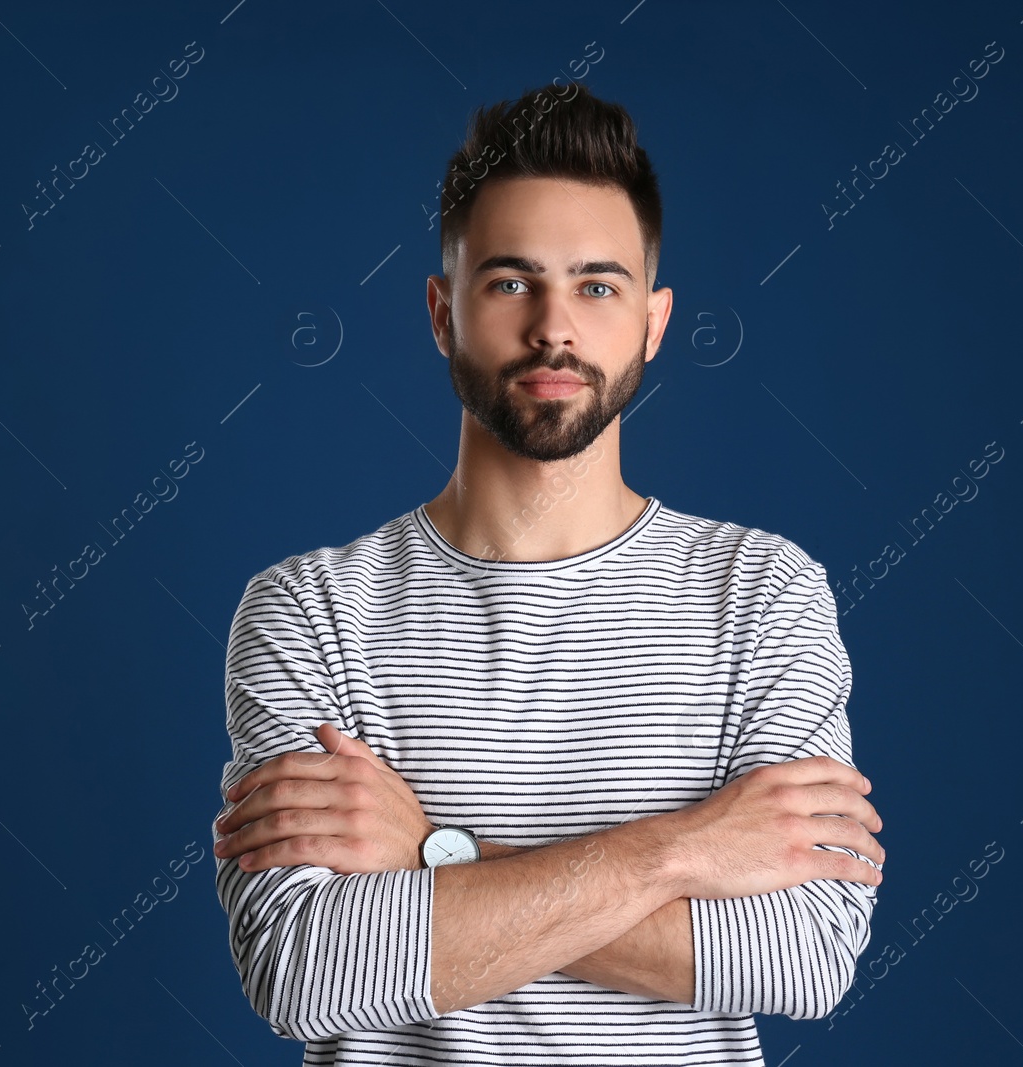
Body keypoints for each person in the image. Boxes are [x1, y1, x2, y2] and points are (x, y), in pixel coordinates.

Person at [210, 80, 885, 1066]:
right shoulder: (310, 608)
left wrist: (435, 855)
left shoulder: (762, 592)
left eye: (597, 285)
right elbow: (306, 967)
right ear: (442, 312)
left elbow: (801, 956)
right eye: (510, 282)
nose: (554, 329)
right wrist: (681, 850)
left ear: (653, 323)